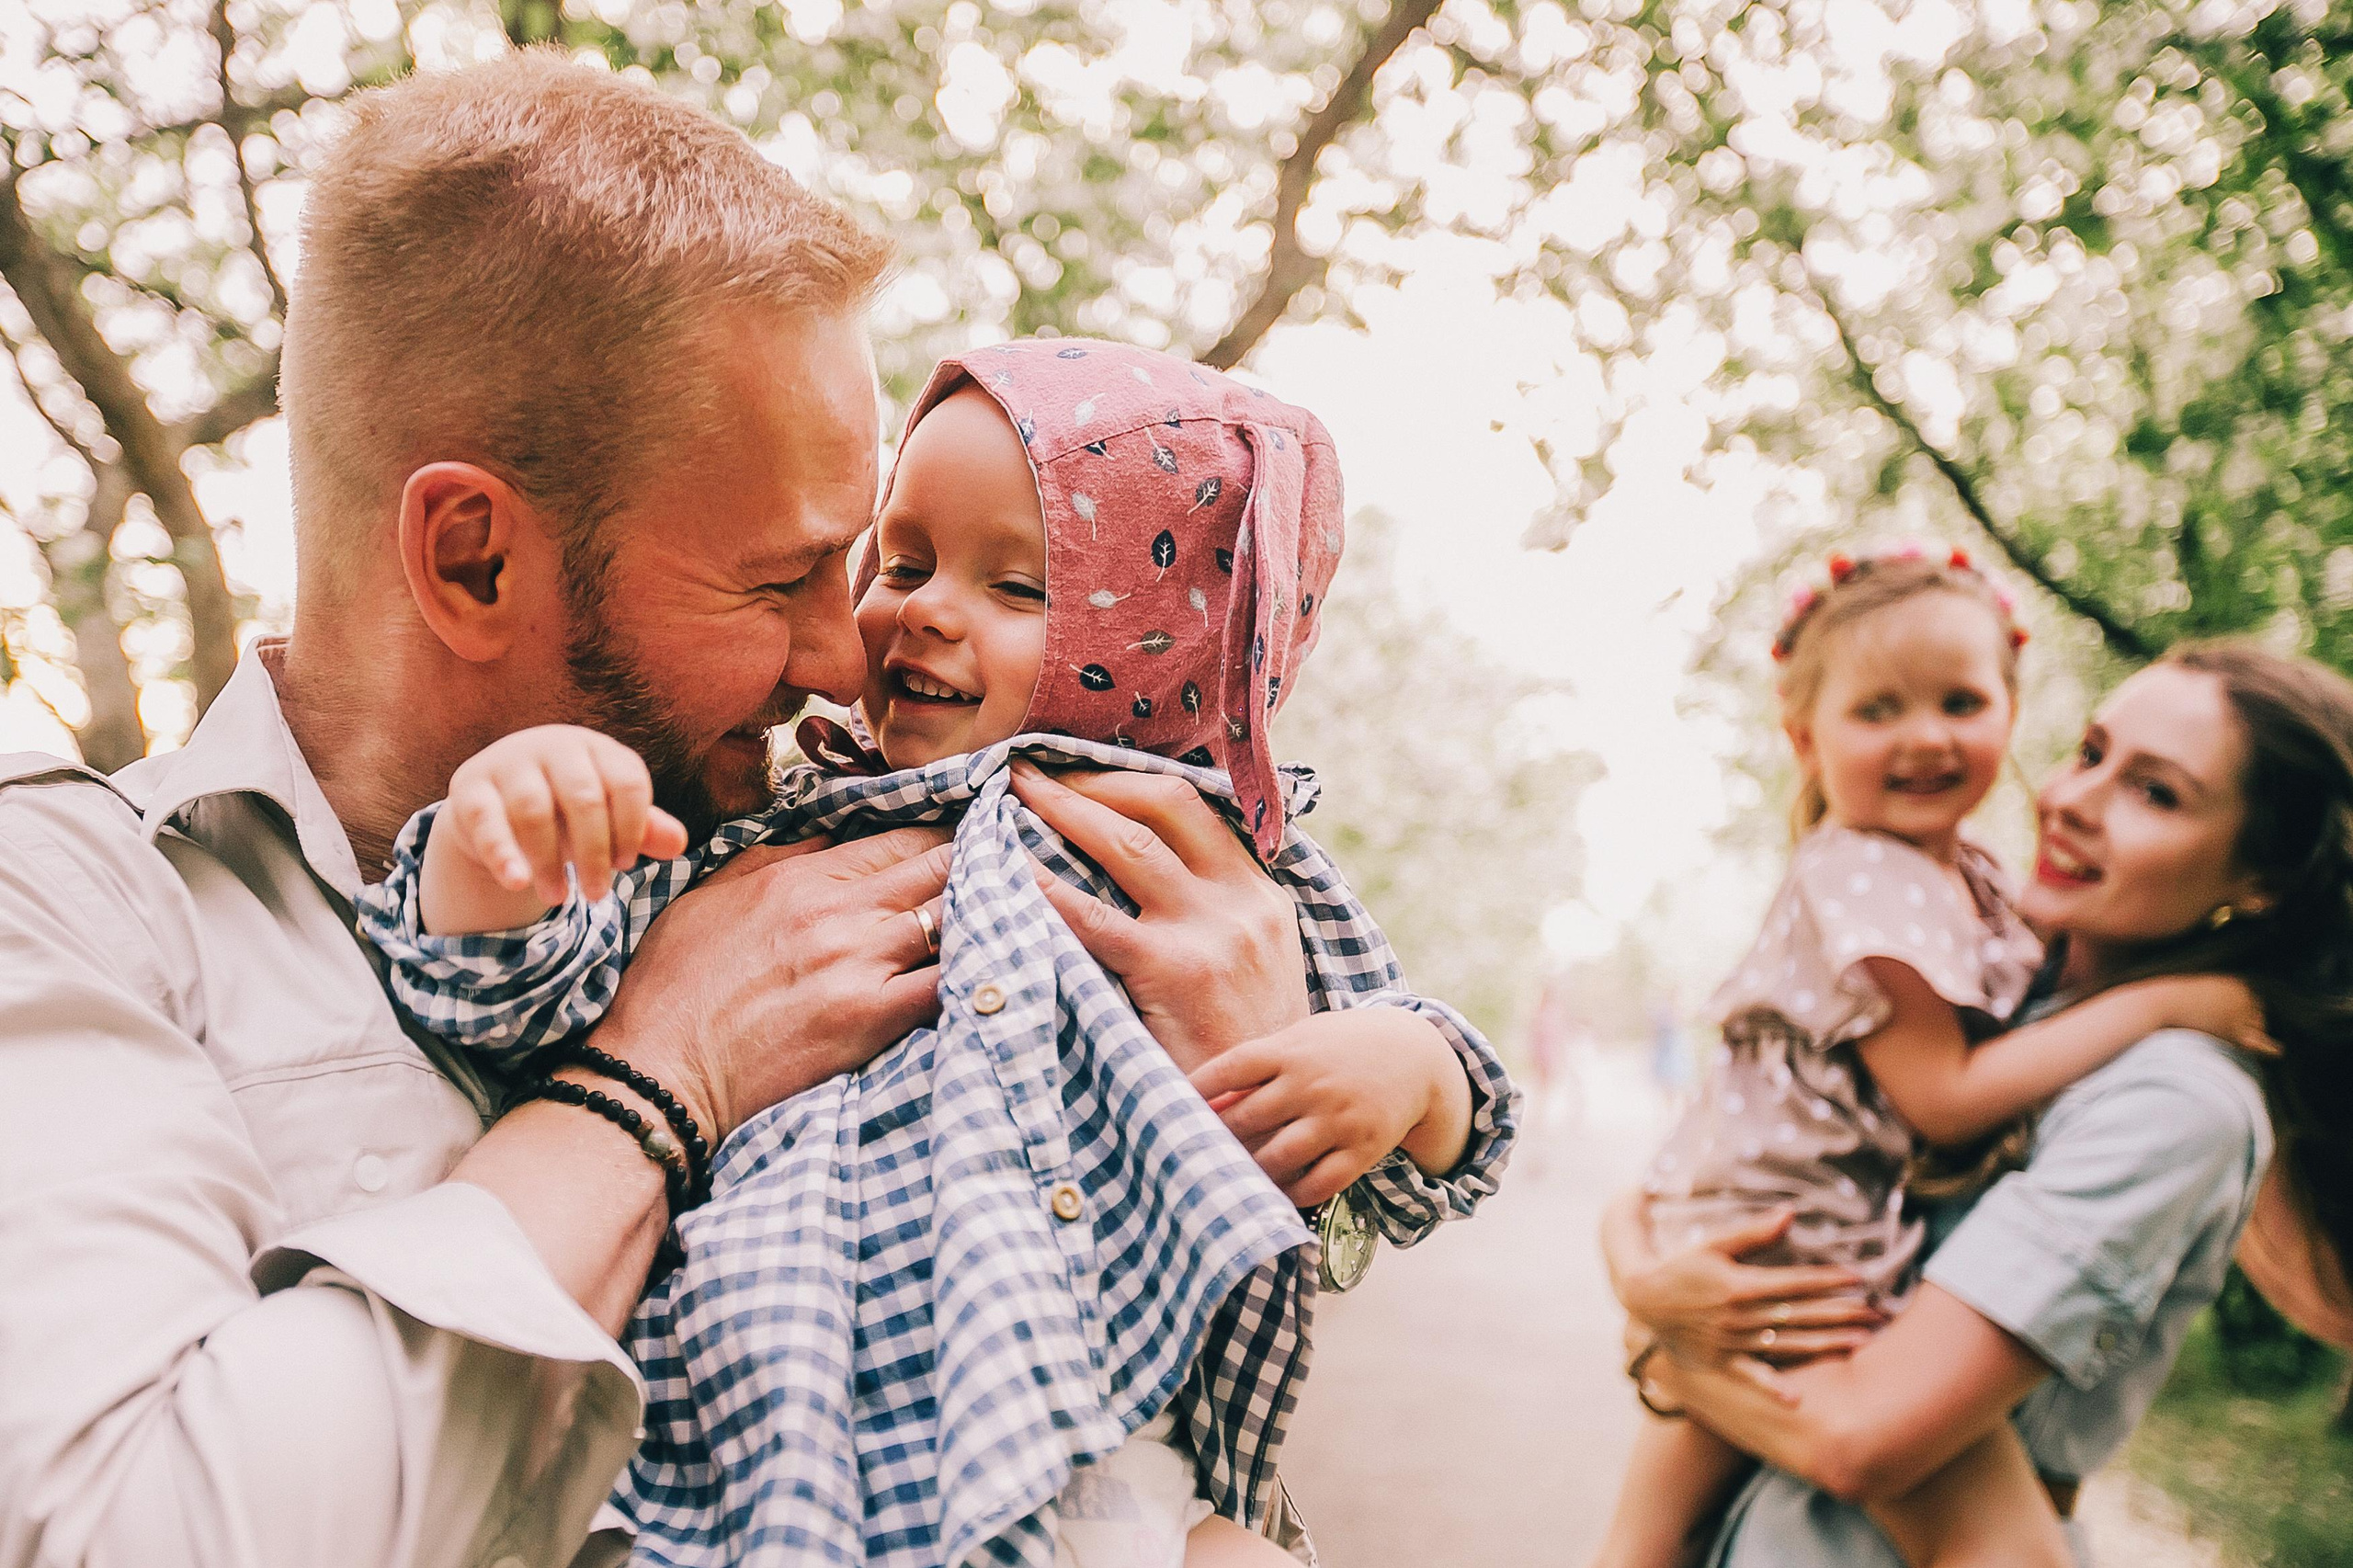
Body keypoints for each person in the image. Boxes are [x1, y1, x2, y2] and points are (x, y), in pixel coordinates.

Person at [0, 56, 1371, 1568]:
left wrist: (1249, 1118)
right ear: (472, 562)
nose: (849, 653)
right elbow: (132, 1537)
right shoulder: (70, 908)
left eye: (857, 566)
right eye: (781, 579)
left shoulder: (846, 853)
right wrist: (655, 1075)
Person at [358, 339, 1511, 1567]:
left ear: (1163, 637)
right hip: (750, 1432)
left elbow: (1414, 1150)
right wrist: (503, 847)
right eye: (902, 561)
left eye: (1018, 589)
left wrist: (1411, 1073)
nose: (918, 607)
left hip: (1082, 1449)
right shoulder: (783, 823)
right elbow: (514, 999)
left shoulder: (1217, 868)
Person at [1601, 639, 2353, 1567]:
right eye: (2089, 752)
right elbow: (1725, 1162)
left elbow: (1856, 1436)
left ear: (2260, 879)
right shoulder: (1996, 977)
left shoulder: (2178, 1096)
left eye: (2153, 791)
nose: (2072, 800)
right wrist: (1641, 1282)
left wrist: (1661, 1340)